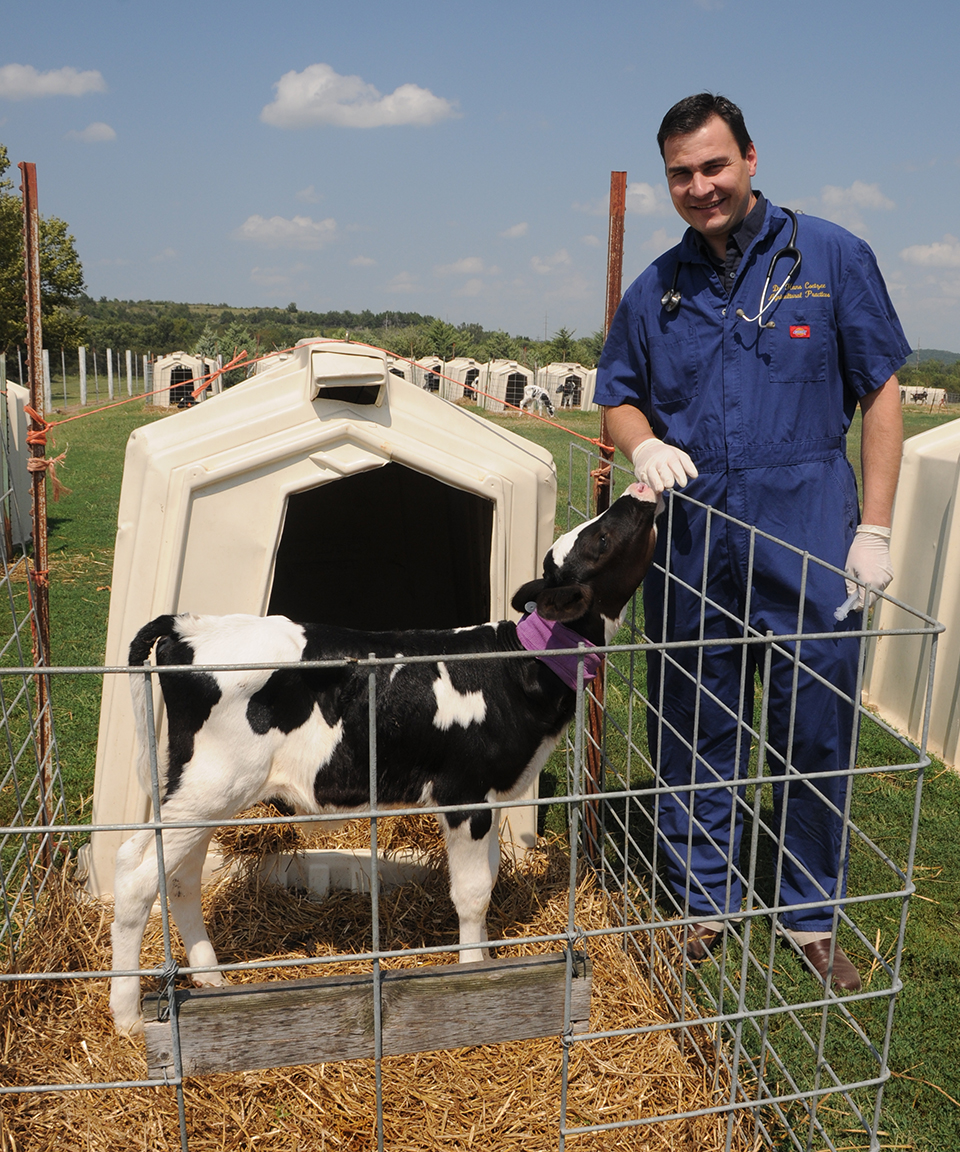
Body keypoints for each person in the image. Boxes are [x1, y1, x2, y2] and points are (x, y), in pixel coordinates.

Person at [594, 93, 909, 993]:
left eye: (714, 166)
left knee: (812, 724)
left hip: (809, 520)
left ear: (751, 158)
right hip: (696, 534)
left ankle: (808, 912)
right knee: (695, 722)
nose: (700, 187)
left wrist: (875, 527)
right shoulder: (655, 290)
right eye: (681, 174)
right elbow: (618, 394)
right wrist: (642, 440)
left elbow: (882, 389)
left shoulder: (832, 258)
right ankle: (704, 904)